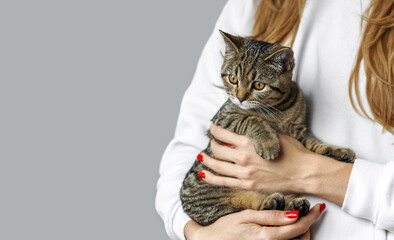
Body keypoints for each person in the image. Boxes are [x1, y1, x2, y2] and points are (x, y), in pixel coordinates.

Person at [156, 0, 394, 239]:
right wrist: (196, 233)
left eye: (257, 85)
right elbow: (190, 143)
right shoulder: (252, 4)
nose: (240, 96)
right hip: (219, 198)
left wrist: (309, 171)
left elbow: (297, 136)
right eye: (235, 83)